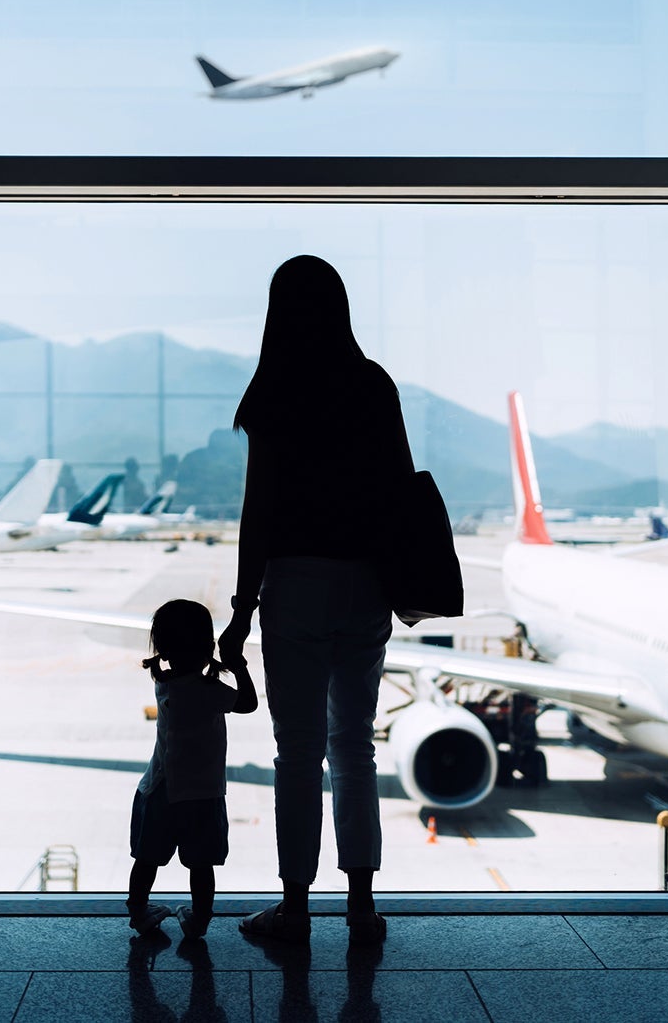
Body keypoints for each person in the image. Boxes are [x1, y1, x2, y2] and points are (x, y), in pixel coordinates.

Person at [218, 255, 412, 946]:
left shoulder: (274, 391)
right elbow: (399, 490)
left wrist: (242, 607)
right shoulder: (372, 386)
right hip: (364, 583)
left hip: (293, 584)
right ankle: (361, 902)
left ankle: (295, 907)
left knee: (296, 751)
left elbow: (257, 511)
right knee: (354, 744)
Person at [128, 598, 259, 939]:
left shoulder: (165, 682)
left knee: (147, 859)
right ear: (207, 646)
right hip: (201, 792)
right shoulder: (207, 691)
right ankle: (198, 920)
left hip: (158, 787)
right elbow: (248, 703)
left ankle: (139, 912)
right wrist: (237, 665)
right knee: (201, 864)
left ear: (164, 648)